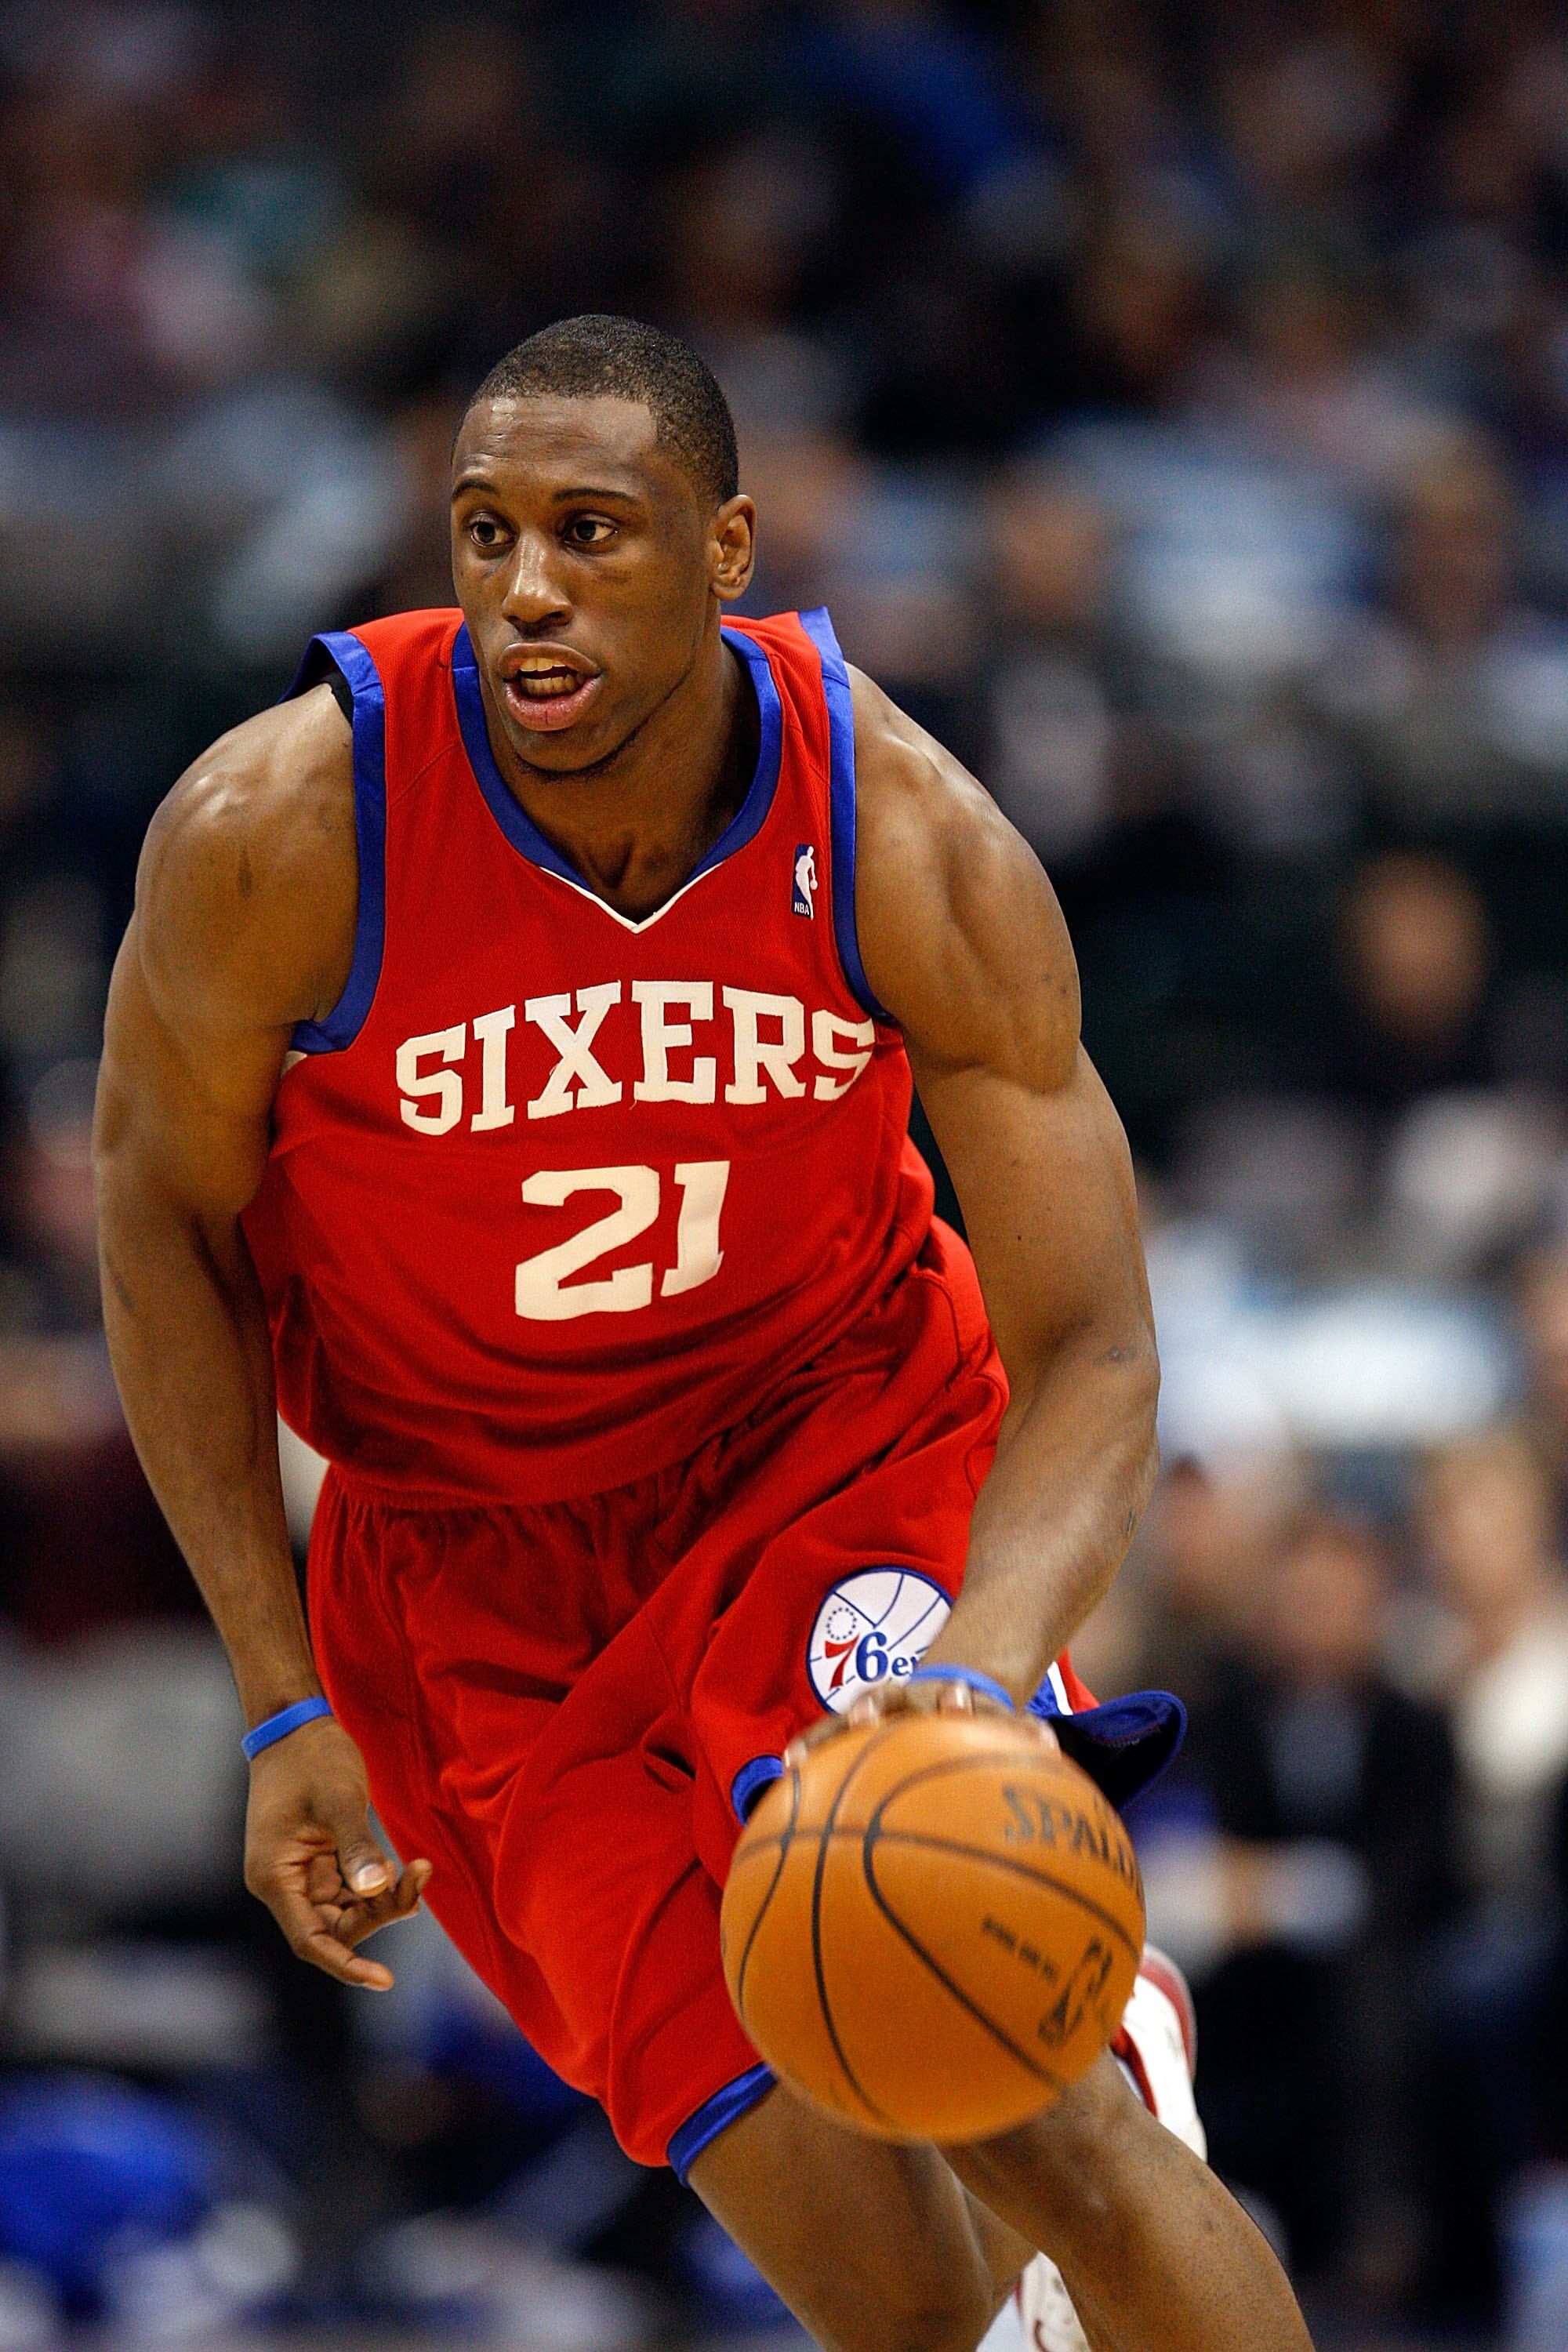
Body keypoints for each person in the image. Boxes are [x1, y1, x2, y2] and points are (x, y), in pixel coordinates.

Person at [93, 314, 1309, 2352]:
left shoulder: (907, 835)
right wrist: (282, 1694)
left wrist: (985, 1682)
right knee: (901, 2309)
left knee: (1044, 2132)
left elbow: (1094, 1342)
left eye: (593, 531)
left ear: (729, 548)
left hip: (831, 1465)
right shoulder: (277, 836)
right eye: (485, 533)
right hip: (475, 1588)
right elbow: (157, 1234)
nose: (527, 590)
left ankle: (1114, 2078)